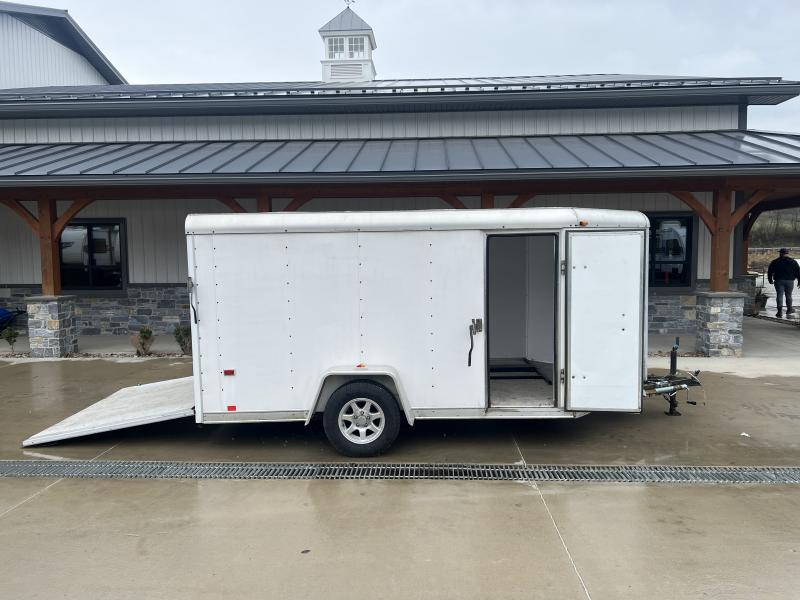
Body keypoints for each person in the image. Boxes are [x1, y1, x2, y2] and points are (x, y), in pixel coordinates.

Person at [767, 248, 800, 318]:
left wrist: (770, 279)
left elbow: (770, 271)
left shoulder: (775, 261)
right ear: (787, 253)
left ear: (780, 253)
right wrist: (799, 281)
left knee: (779, 294)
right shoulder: (793, 261)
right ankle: (789, 309)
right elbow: (798, 272)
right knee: (788, 295)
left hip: (778, 280)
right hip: (790, 281)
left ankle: (779, 311)